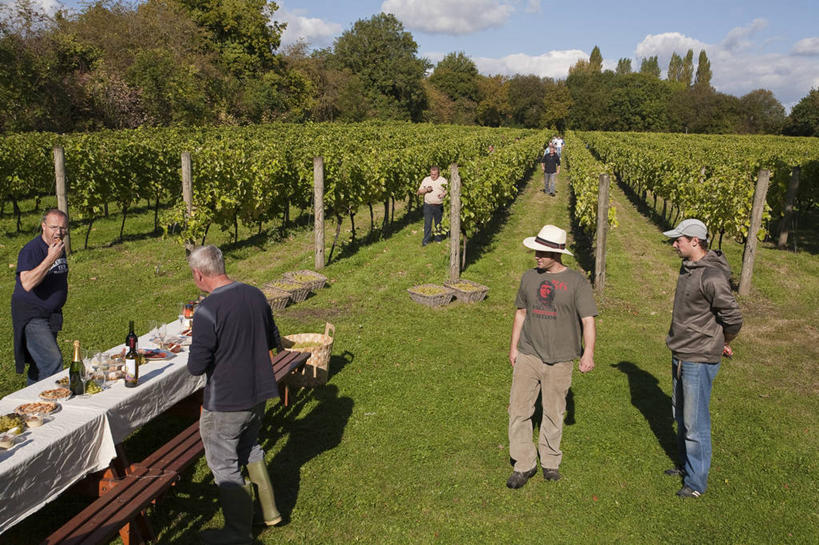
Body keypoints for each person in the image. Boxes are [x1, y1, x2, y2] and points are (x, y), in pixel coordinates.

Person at [187, 245, 285, 543]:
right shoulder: (255, 294)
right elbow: (272, 339)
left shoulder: (207, 310)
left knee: (224, 463)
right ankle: (269, 513)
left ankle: (237, 532)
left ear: (199, 274)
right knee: (250, 446)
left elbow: (196, 366)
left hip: (226, 401)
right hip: (259, 393)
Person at [506, 225, 597, 489]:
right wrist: (514, 348)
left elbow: (588, 320)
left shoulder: (577, 282)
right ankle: (524, 463)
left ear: (557, 253)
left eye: (543, 252)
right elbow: (521, 313)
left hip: (561, 358)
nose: (537, 255)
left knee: (554, 412)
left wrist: (588, 352)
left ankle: (550, 462)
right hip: (529, 352)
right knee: (519, 410)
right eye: (536, 250)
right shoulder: (529, 278)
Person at [663, 219, 742, 498]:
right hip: (682, 351)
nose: (675, 245)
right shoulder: (688, 267)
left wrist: (724, 342)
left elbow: (733, 317)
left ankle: (696, 483)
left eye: (679, 240)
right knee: (681, 414)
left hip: (698, 357)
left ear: (695, 241)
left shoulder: (711, 276)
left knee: (695, 423)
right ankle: (687, 466)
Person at [11, 208, 69, 385]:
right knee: (52, 360)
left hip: (51, 314)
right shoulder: (31, 250)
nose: (58, 232)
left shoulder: (57, 247)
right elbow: (27, 283)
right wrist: (50, 259)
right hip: (32, 313)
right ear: (43, 226)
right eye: (53, 227)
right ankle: (51, 403)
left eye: (63, 228)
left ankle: (32, 405)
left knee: (39, 364)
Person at [416, 165, 448, 246]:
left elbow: (448, 190)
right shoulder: (426, 180)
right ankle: (426, 241)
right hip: (428, 205)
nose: (433, 176)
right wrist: (426, 190)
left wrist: (443, 194)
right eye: (432, 174)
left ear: (438, 174)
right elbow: (418, 192)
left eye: (435, 174)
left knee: (438, 223)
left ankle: (438, 239)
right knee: (427, 223)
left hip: (439, 205)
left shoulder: (443, 180)